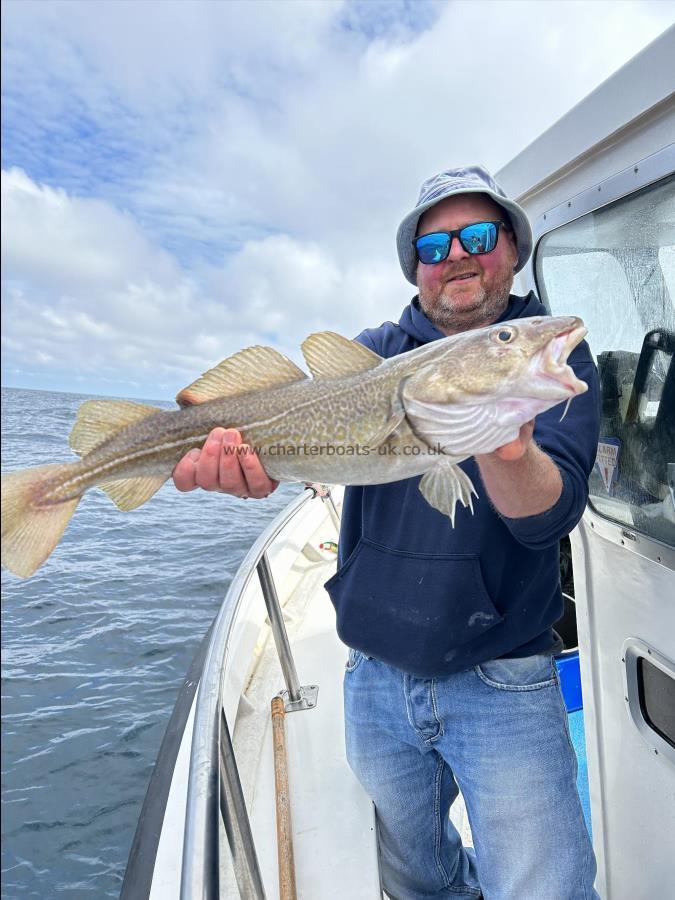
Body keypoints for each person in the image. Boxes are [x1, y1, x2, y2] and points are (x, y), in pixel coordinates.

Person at [173, 166, 601, 900]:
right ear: (415, 266)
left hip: (501, 680)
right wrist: (251, 464)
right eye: (434, 245)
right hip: (373, 677)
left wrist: (503, 442)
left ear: (511, 248)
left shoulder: (543, 359)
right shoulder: (375, 353)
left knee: (544, 889)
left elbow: (546, 519)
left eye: (477, 235)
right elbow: (295, 434)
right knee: (414, 879)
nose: (456, 256)